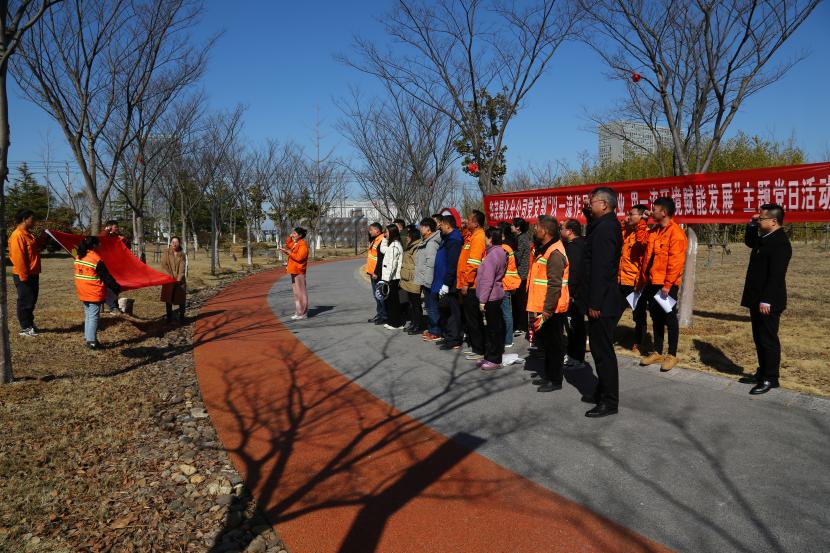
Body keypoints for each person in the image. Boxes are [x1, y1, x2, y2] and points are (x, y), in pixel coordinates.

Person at [740, 204, 792, 395]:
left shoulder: (780, 243)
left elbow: (776, 275)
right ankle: (762, 372)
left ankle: (771, 378)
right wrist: (752, 224)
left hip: (769, 301)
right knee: (759, 338)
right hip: (757, 297)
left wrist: (767, 300)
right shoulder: (765, 237)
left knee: (768, 339)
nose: (758, 220)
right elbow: (749, 242)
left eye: (761, 218)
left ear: (773, 221)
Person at [581, 188, 623, 418]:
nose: (590, 205)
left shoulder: (606, 229)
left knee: (603, 353)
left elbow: (601, 269)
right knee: (599, 351)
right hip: (601, 298)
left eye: (592, 202)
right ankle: (602, 390)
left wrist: (595, 303)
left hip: (603, 301)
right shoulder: (603, 224)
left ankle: (609, 401)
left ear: (604, 204)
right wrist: (586, 211)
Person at [637, 197, 687, 372]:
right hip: (652, 281)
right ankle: (657, 351)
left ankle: (672, 354)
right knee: (656, 316)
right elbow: (641, 240)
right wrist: (643, 221)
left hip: (666, 285)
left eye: (655, 209)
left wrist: (667, 285)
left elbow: (676, 262)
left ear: (664, 212)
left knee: (669, 317)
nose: (652, 212)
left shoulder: (676, 234)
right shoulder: (655, 230)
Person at [526, 215, 569, 392]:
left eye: (537, 227)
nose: (535, 229)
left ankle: (555, 380)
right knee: (547, 344)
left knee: (554, 345)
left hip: (552, 308)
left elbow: (554, 284)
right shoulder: (545, 249)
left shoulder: (555, 252)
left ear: (545, 231)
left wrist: (547, 309)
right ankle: (548, 376)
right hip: (544, 306)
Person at [73, 236, 120, 349]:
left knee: (88, 315)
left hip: (82, 290)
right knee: (93, 317)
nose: (100, 245)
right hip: (93, 291)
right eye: (98, 243)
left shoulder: (79, 256)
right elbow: (106, 277)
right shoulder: (95, 259)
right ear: (93, 245)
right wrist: (116, 287)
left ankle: (88, 338)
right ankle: (92, 342)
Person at [618, 205, 650, 354]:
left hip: (634, 282)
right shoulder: (628, 232)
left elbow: (643, 245)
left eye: (632, 214)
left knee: (638, 314)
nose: (628, 216)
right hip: (621, 279)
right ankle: (606, 337)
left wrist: (642, 224)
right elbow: (616, 235)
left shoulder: (645, 233)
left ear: (641, 216)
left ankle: (639, 342)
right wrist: (624, 224)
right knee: (613, 309)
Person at [8, 209, 46, 336]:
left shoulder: (28, 234)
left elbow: (35, 247)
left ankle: (30, 324)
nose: (34, 221)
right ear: (24, 219)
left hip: (33, 274)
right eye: (32, 219)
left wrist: (43, 237)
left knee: (31, 300)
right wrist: (23, 276)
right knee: (25, 301)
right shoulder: (17, 235)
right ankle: (25, 328)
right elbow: (19, 259)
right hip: (24, 275)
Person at [475, 227, 507, 370]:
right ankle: (489, 356)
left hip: (491, 297)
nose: (484, 240)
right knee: (493, 328)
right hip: (495, 295)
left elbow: (487, 280)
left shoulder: (493, 255)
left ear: (491, 239)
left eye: (486, 237)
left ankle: (494, 359)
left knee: (492, 329)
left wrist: (482, 300)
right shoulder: (500, 252)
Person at [458, 210, 487, 360]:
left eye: (469, 220)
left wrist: (466, 283)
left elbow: (474, 263)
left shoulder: (479, 237)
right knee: (471, 319)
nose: (466, 222)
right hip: (468, 283)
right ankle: (476, 347)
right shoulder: (472, 236)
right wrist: (463, 227)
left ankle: (479, 349)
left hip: (473, 285)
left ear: (475, 223)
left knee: (474, 319)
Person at [433, 215, 464, 350]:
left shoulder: (454, 240)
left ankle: (454, 339)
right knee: (445, 310)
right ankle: (448, 336)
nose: (439, 227)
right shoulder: (447, 238)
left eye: (441, 225)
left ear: (448, 225)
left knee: (452, 312)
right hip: (443, 280)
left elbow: (452, 264)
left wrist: (446, 283)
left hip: (450, 282)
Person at [561, 218, 587, 369]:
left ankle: (577, 357)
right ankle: (573, 354)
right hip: (578, 292)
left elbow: (574, 272)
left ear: (570, 231)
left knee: (574, 325)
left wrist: (569, 292)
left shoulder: (574, 248)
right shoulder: (578, 244)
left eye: (562, 228)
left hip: (575, 294)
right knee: (574, 325)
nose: (561, 230)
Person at [414, 217, 442, 341]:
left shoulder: (431, 243)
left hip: (429, 281)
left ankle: (435, 332)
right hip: (426, 280)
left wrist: (428, 282)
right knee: (429, 306)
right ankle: (431, 328)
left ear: (428, 229)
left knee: (432, 307)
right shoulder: (426, 241)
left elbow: (431, 264)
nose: (420, 229)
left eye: (422, 227)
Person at [499, 221, 520, 348]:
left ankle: (508, 340)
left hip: (505, 283)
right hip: (506, 282)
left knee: (506, 312)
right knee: (506, 312)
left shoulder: (504, 248)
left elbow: (501, 268)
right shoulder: (506, 246)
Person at [400, 226, 424, 334]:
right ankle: (414, 323)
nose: (406, 238)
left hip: (414, 280)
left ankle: (417, 325)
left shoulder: (417, 247)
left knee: (416, 304)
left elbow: (418, 265)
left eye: (408, 236)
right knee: (412, 304)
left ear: (413, 236)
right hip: (408, 279)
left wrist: (405, 267)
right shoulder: (410, 246)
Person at [381, 224, 405, 330]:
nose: (385, 234)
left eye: (386, 232)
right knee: (390, 301)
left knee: (393, 301)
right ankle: (392, 321)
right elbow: (383, 250)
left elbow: (392, 264)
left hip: (393, 278)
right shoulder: (392, 245)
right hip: (391, 278)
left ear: (392, 232)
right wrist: (385, 238)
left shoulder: (395, 246)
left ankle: (397, 323)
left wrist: (386, 280)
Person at [282, 227, 310, 320]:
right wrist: (288, 250)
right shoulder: (296, 243)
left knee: (301, 292)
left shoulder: (303, 245)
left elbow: (300, 257)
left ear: (300, 235)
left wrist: (289, 252)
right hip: (294, 270)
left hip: (299, 271)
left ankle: (303, 313)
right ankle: (298, 312)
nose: (292, 235)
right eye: (292, 233)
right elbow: (288, 244)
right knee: (296, 293)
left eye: (294, 233)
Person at [511, 217, 531, 336]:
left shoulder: (522, 238)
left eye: (513, 225)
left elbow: (518, 256)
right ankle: (519, 325)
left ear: (518, 227)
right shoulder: (519, 237)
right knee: (517, 301)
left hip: (521, 274)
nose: (511, 227)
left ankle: (522, 326)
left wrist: (509, 254)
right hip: (519, 274)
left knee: (520, 301)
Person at [99, 220, 124, 313]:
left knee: (115, 286)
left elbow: (125, 247)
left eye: (117, 227)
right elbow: (101, 238)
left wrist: (124, 240)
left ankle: (114, 306)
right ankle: (112, 307)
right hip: (104, 266)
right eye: (115, 227)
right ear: (109, 227)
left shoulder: (117, 236)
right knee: (109, 285)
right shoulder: (104, 234)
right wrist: (107, 230)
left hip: (115, 265)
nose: (117, 228)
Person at [160, 236, 188, 323]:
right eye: (173, 242)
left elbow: (182, 268)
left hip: (180, 280)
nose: (174, 244)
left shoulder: (182, 254)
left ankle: (182, 317)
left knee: (181, 299)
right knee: (168, 298)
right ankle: (169, 317)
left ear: (179, 243)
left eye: (176, 242)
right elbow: (164, 265)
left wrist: (178, 279)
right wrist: (170, 277)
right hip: (169, 279)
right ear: (170, 243)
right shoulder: (166, 252)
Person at [366, 222, 386, 324]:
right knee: (376, 295)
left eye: (371, 230)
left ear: (377, 230)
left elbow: (381, 259)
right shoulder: (375, 239)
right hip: (372, 272)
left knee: (380, 295)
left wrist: (376, 272)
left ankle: (384, 316)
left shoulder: (381, 240)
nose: (369, 232)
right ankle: (379, 314)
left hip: (377, 273)